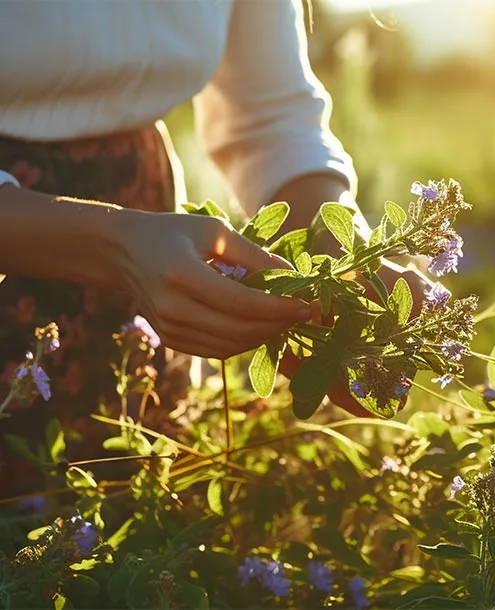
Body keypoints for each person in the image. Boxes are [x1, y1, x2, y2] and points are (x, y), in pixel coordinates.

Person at [0, 0, 428, 432]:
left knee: (139, 477)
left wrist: (343, 254)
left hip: (150, 237)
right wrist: (117, 245)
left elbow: (269, 117)